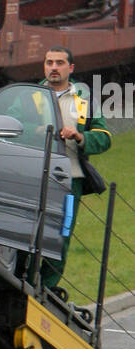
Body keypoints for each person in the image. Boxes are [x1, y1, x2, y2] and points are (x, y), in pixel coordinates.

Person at [38, 47, 111, 291]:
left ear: (71, 68)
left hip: (71, 182)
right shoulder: (32, 96)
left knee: (61, 236)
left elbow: (104, 137)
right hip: (32, 176)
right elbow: (14, 124)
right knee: (29, 230)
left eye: (60, 62)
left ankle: (47, 288)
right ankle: (23, 281)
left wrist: (80, 136)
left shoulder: (84, 99)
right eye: (49, 62)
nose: (54, 67)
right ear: (44, 66)